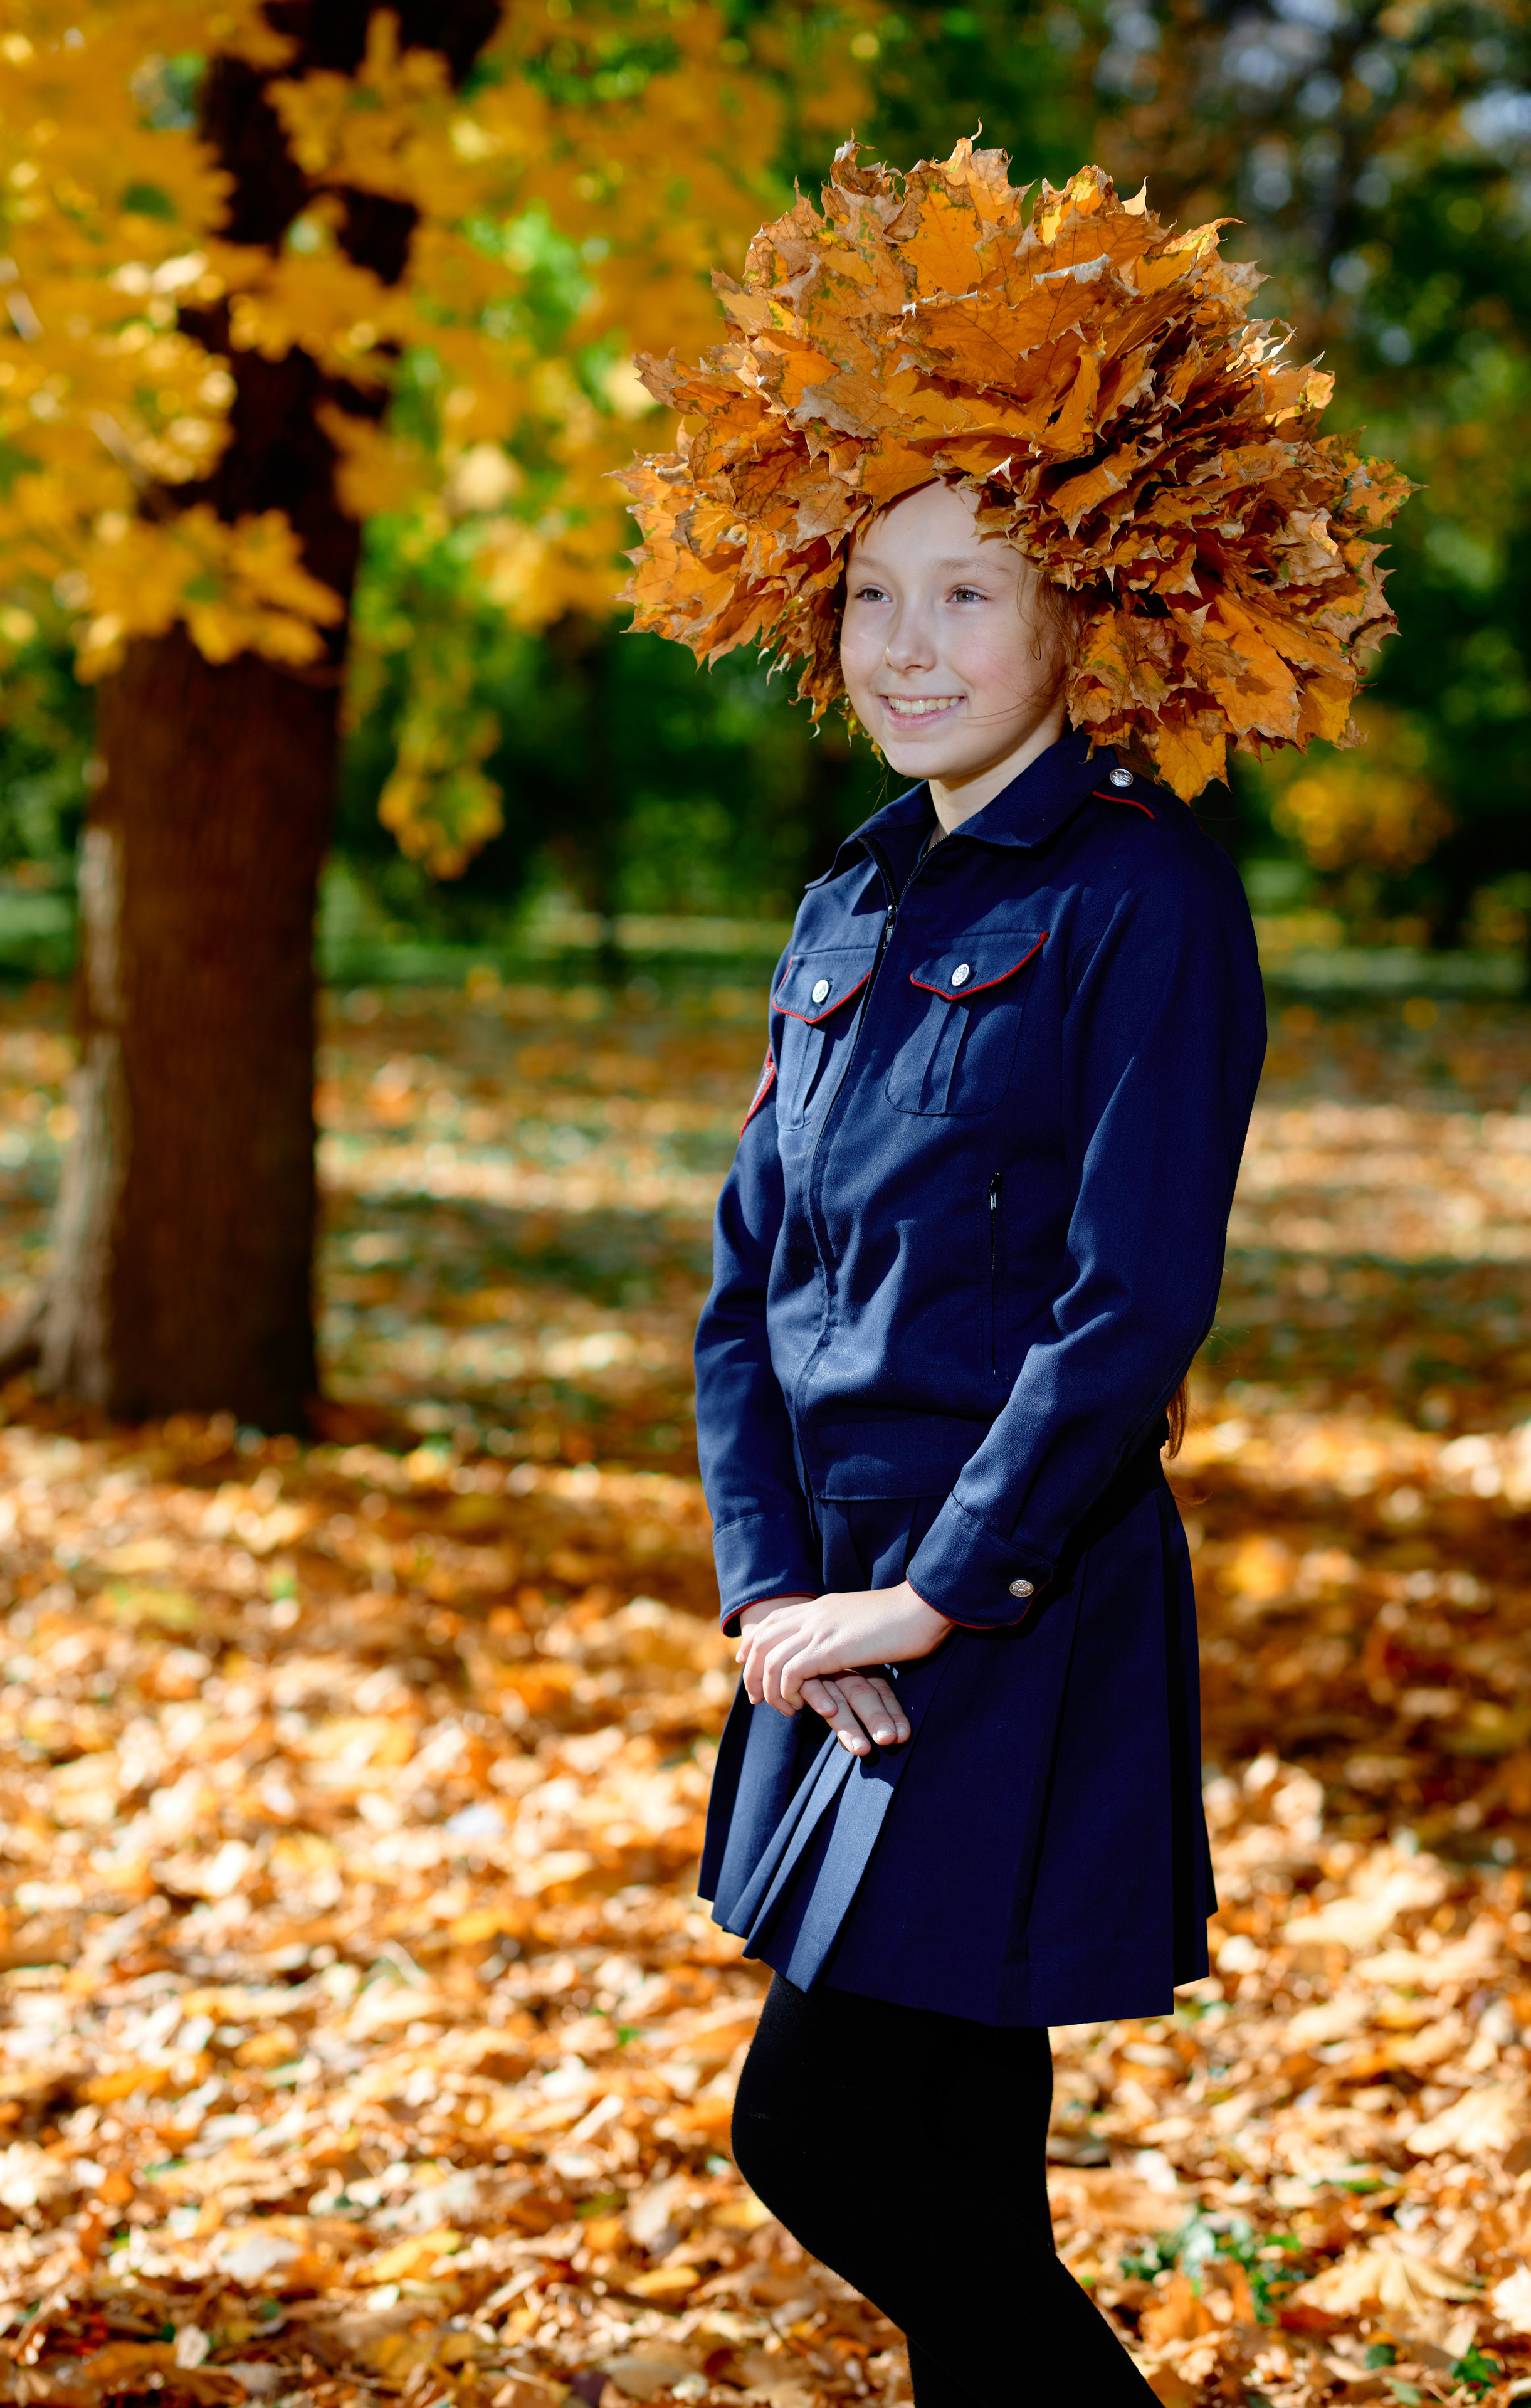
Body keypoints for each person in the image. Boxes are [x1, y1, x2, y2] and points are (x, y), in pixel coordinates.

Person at [620, 139, 1407, 2401]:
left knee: (828, 2139)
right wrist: (776, 1593)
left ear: (1090, 615)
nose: (908, 648)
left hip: (1012, 1600)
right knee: (955, 2163)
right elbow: (740, 1288)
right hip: (833, 1607)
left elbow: (1128, 1305)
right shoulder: (848, 898)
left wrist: (934, 1599)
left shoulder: (1147, 898)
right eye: (871, 596)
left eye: (968, 597)